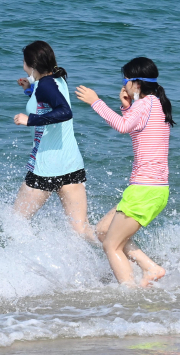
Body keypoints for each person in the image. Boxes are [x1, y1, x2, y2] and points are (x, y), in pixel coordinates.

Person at [76, 57, 173, 287]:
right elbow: (136, 129)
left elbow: (122, 126)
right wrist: (127, 106)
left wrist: (95, 102)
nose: (123, 85)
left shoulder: (146, 103)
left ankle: (129, 297)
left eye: (125, 80)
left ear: (136, 83)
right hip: (151, 189)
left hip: (145, 189)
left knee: (111, 245)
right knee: (102, 231)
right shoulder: (155, 103)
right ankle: (150, 268)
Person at [13, 41, 95, 242]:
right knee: (82, 230)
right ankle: (123, 252)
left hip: (46, 168)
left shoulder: (45, 86)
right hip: (71, 166)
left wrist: (29, 120)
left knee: (16, 223)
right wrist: (28, 89)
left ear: (31, 65)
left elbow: (65, 111)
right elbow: (49, 100)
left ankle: (30, 269)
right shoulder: (58, 79)